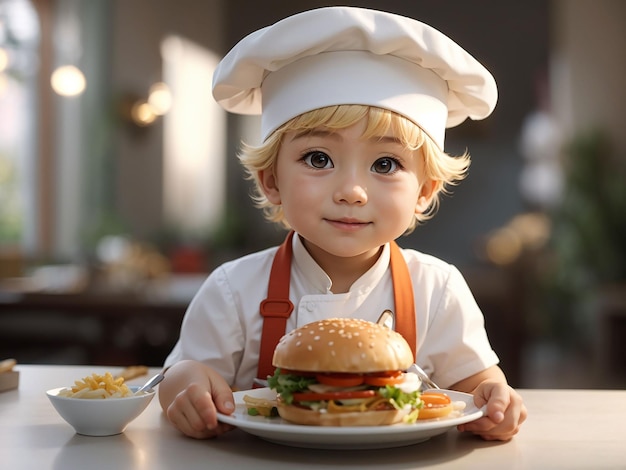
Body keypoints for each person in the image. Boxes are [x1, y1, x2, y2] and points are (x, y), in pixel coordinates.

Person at [158, 6, 527, 441]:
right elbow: (181, 376)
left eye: (386, 163)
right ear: (271, 180)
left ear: (424, 191)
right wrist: (186, 388)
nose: (352, 190)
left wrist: (496, 401)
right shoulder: (232, 291)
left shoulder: (438, 289)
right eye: (319, 159)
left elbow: (476, 386)